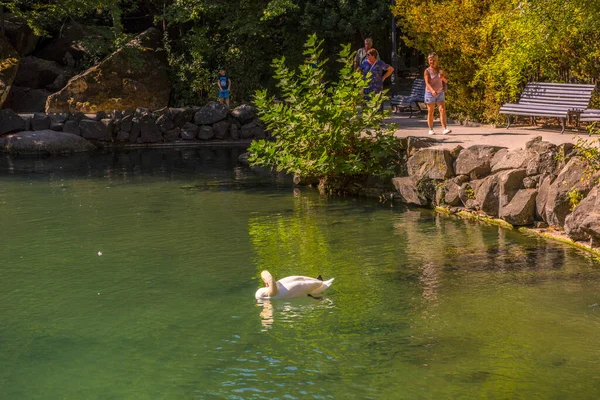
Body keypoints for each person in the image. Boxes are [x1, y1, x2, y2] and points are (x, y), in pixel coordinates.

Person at [424, 53, 451, 135]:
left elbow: (446, 81)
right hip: (430, 93)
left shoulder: (440, 69)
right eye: (430, 60)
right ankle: (431, 129)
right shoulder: (427, 71)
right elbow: (427, 83)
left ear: (437, 60)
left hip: (440, 92)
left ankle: (444, 128)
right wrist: (432, 91)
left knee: (442, 110)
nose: (431, 61)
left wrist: (442, 77)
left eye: (433, 60)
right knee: (430, 111)